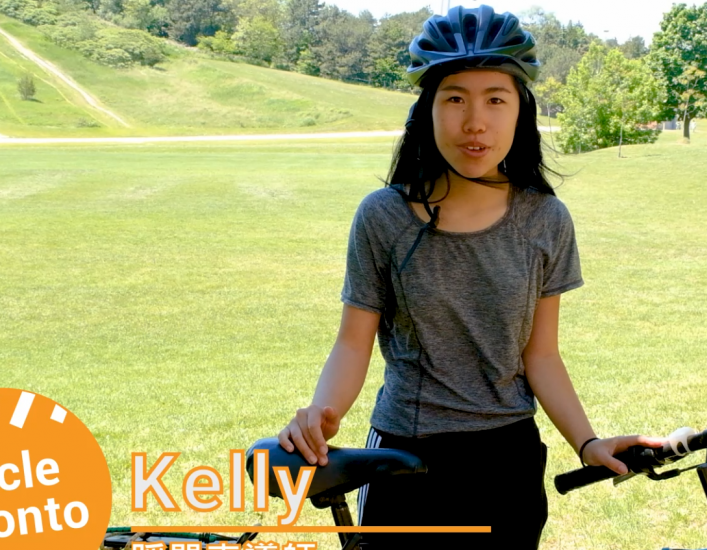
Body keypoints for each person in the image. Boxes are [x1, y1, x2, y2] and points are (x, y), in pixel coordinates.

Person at [276, 6, 664, 549]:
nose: (475, 121)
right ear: (426, 111)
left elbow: (541, 356)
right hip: (405, 460)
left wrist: (587, 442)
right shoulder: (383, 217)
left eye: (495, 99)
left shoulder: (545, 220)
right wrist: (321, 415)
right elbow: (352, 343)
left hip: (507, 461)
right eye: (455, 98)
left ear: (520, 111)